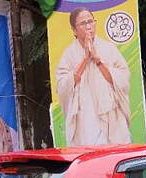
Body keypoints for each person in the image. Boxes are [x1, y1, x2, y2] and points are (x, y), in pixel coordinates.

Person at [56, 7, 131, 146]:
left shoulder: (109, 48)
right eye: (83, 23)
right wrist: (85, 58)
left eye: (91, 21)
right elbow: (62, 87)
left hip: (110, 114)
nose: (89, 26)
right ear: (74, 30)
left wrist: (98, 60)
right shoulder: (69, 54)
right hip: (85, 116)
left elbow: (122, 80)